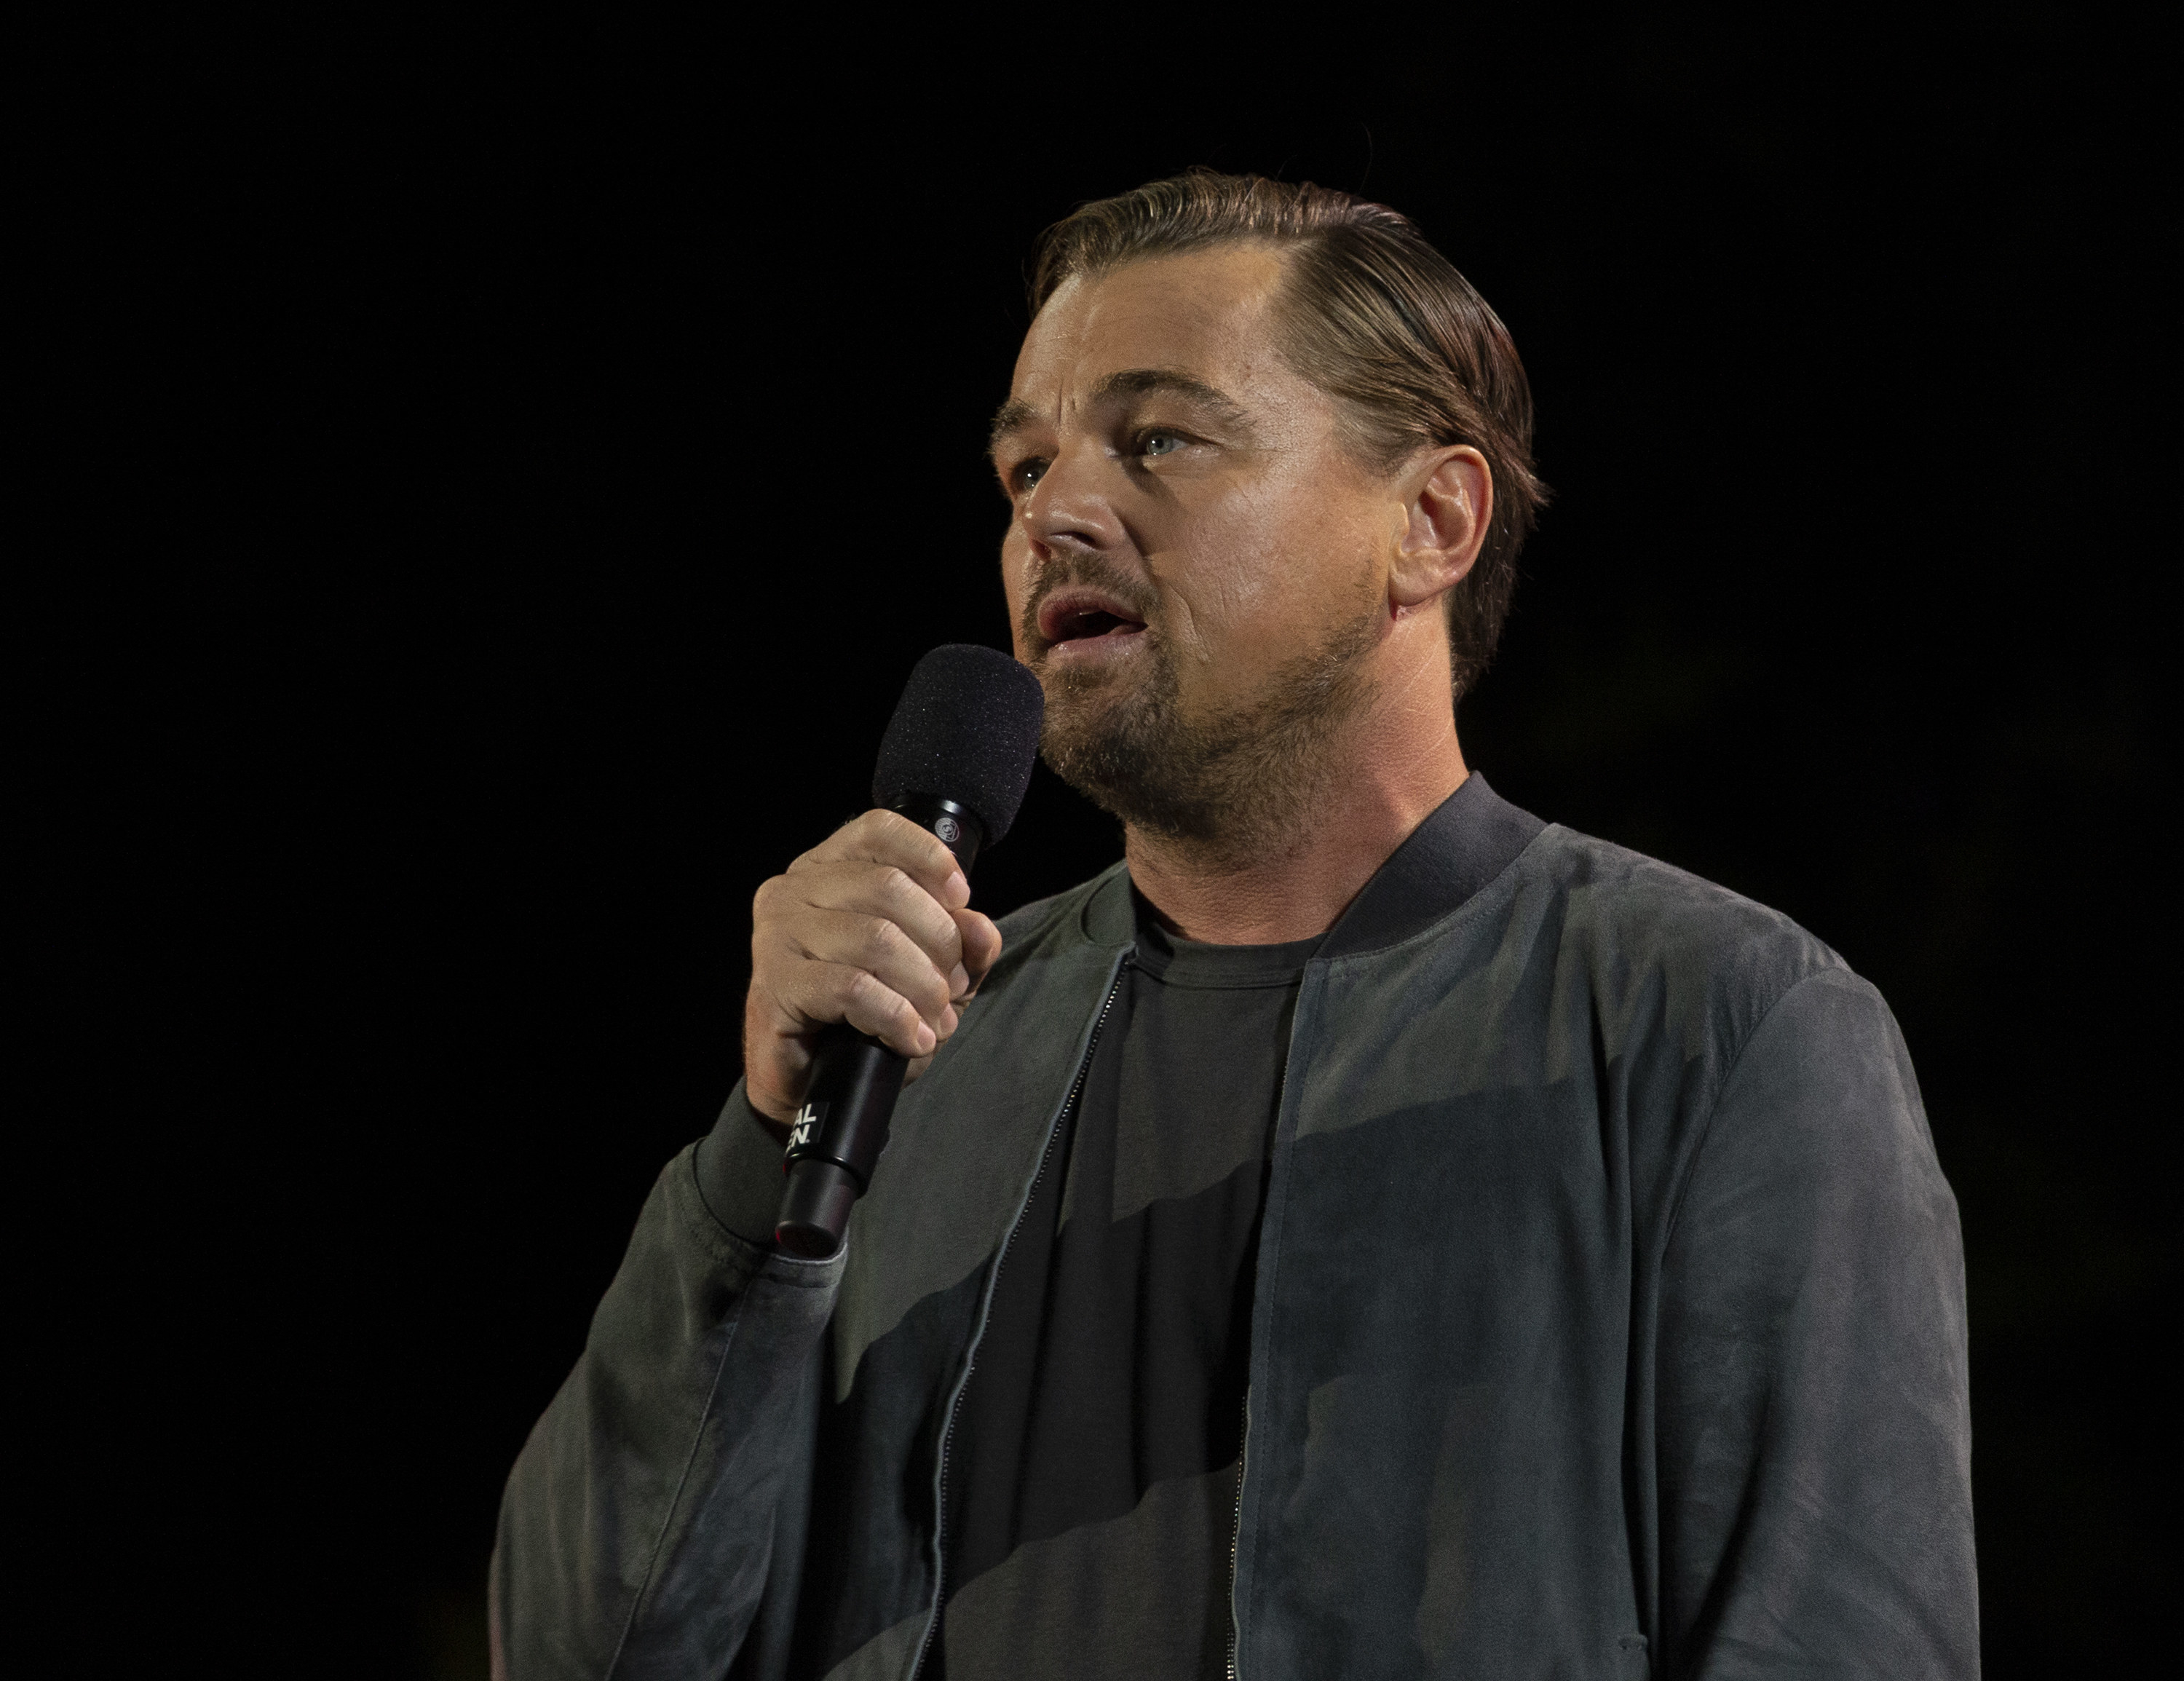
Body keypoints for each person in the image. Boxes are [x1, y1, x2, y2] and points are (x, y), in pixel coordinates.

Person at [491, 171, 1977, 1680]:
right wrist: (762, 1154)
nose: (1055, 515)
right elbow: (577, 1650)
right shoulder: (918, 1053)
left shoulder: (1716, 1029)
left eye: (1160, 440)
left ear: (1431, 519)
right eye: (1022, 470)